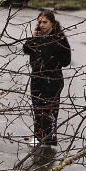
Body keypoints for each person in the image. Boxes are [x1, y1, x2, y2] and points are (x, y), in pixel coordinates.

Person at [23, 10, 71, 146]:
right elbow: (26, 49)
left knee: (48, 110)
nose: (42, 25)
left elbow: (66, 60)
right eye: (39, 22)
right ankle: (39, 136)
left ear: (52, 23)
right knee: (37, 108)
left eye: (45, 22)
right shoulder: (38, 36)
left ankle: (48, 139)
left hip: (52, 79)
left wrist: (51, 58)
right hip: (37, 78)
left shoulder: (59, 38)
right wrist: (33, 37)